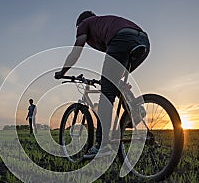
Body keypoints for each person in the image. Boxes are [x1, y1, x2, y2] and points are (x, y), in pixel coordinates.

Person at [54, 11, 150, 159]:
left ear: (80, 23)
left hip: (122, 39)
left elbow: (77, 50)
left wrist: (63, 71)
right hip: (143, 40)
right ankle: (136, 111)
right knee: (114, 82)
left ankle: (101, 145)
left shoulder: (85, 24)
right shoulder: (104, 24)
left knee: (106, 94)